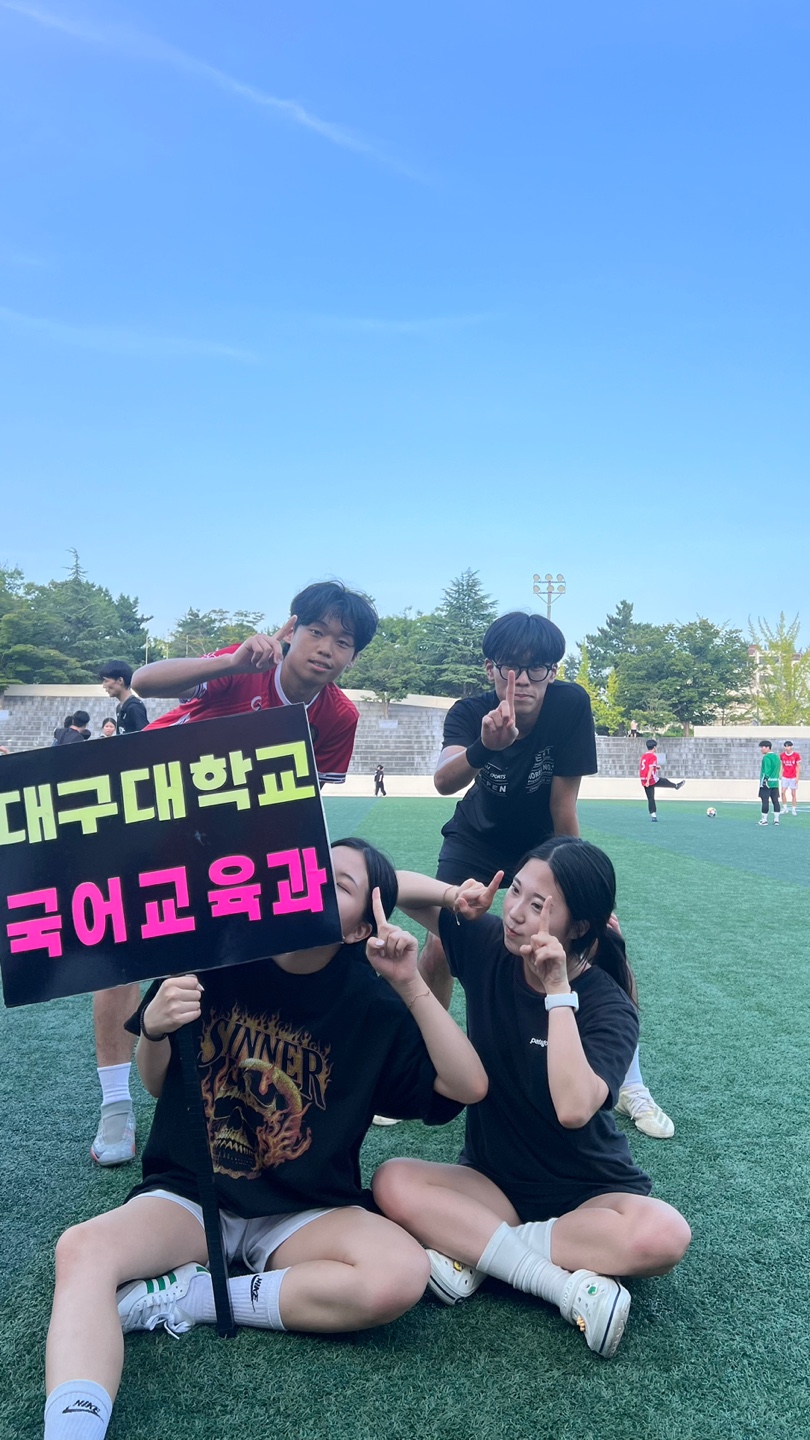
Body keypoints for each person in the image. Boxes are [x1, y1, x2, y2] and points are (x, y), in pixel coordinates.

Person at [43, 838, 487, 1440]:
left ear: (361, 928)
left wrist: (410, 984)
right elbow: (156, 1082)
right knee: (82, 1250)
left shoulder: (373, 999)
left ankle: (196, 1297)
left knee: (400, 1273)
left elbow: (467, 1086)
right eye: (314, 869)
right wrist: (152, 1027)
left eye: (341, 885)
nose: (317, 883)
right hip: (195, 1192)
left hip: (302, 1207)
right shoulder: (216, 949)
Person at [85, 581, 379, 1170]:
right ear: (291, 629)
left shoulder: (338, 715)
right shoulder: (246, 665)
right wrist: (229, 661)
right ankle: (116, 1102)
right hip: (155, 808)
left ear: (352, 656)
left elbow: (301, 803)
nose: (326, 648)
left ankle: (222, 1080)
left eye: (343, 641)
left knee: (237, 955)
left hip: (231, 841)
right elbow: (145, 680)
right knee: (120, 950)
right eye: (316, 631)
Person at [375, 837, 690, 1359]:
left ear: (579, 927)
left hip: (590, 1196)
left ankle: (482, 1250)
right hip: (494, 1182)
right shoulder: (489, 943)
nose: (516, 912)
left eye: (538, 904)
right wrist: (454, 896)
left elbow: (573, 1108)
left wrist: (558, 992)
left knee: (665, 1234)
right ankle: (559, 1281)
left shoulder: (609, 1007)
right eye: (515, 891)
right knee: (392, 1179)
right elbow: (391, 885)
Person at [418, 611, 672, 1141]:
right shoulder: (468, 712)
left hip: (541, 844)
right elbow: (443, 781)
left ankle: (629, 1081)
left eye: (540, 669)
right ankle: (421, 1068)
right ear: (490, 668)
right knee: (440, 944)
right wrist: (485, 746)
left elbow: (563, 806)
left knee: (603, 941)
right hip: (476, 838)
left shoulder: (570, 705)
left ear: (553, 673)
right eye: (511, 668)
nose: (525, 681)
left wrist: (587, 897)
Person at [98, 661, 149, 735]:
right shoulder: (120, 707)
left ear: (120, 680)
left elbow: (146, 736)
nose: (104, 686)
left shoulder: (134, 707)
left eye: (106, 681)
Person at [639, 740, 685, 820]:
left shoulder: (644, 756)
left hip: (643, 778)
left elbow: (645, 766)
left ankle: (653, 815)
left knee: (650, 798)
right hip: (651, 779)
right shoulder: (653, 756)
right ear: (654, 747)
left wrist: (656, 767)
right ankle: (676, 786)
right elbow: (650, 769)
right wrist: (648, 781)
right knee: (664, 781)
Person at [758, 740, 781, 826]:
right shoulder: (777, 757)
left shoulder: (766, 757)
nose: (761, 749)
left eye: (762, 747)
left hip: (767, 783)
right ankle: (776, 820)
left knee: (765, 801)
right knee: (775, 801)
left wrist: (765, 780)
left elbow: (766, 770)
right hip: (775, 782)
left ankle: (764, 820)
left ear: (768, 747)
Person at [779, 740, 801, 816]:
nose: (787, 748)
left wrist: (797, 777)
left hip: (793, 777)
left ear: (791, 747)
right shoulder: (782, 755)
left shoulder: (796, 755)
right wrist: (780, 773)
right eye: (785, 746)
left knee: (793, 793)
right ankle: (785, 808)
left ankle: (794, 809)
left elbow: (798, 767)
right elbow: (782, 765)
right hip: (785, 776)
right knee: (782, 792)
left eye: (788, 746)